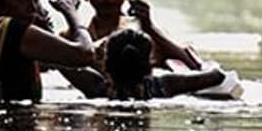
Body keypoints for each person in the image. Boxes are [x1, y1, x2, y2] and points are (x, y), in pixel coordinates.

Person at [98, 28, 231, 100]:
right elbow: (217, 75)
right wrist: (198, 63)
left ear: (106, 66)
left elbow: (82, 64)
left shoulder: (95, 86)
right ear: (150, 66)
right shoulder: (164, 85)